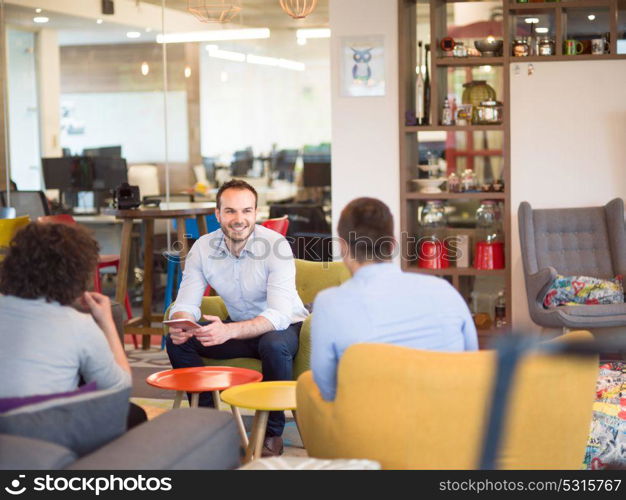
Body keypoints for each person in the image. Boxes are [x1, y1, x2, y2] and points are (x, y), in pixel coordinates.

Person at [166, 179, 309, 456]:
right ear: (217, 214)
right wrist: (183, 322)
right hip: (239, 327)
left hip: (282, 328)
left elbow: (279, 315)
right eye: (230, 211)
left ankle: (272, 432)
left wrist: (228, 331)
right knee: (178, 342)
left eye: (246, 211)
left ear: (256, 213)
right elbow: (186, 301)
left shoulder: (275, 245)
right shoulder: (203, 248)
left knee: (272, 344)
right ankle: (210, 422)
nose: (239, 219)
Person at [311, 197, 478, 401]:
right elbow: (471, 361)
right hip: (445, 422)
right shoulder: (444, 291)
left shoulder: (329, 303)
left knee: (308, 389)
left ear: (343, 247)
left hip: (369, 428)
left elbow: (328, 389)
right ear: (392, 244)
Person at [0, 222, 145, 426]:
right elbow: (119, 389)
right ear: (76, 273)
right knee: (132, 414)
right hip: (41, 431)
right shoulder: (79, 324)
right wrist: (106, 322)